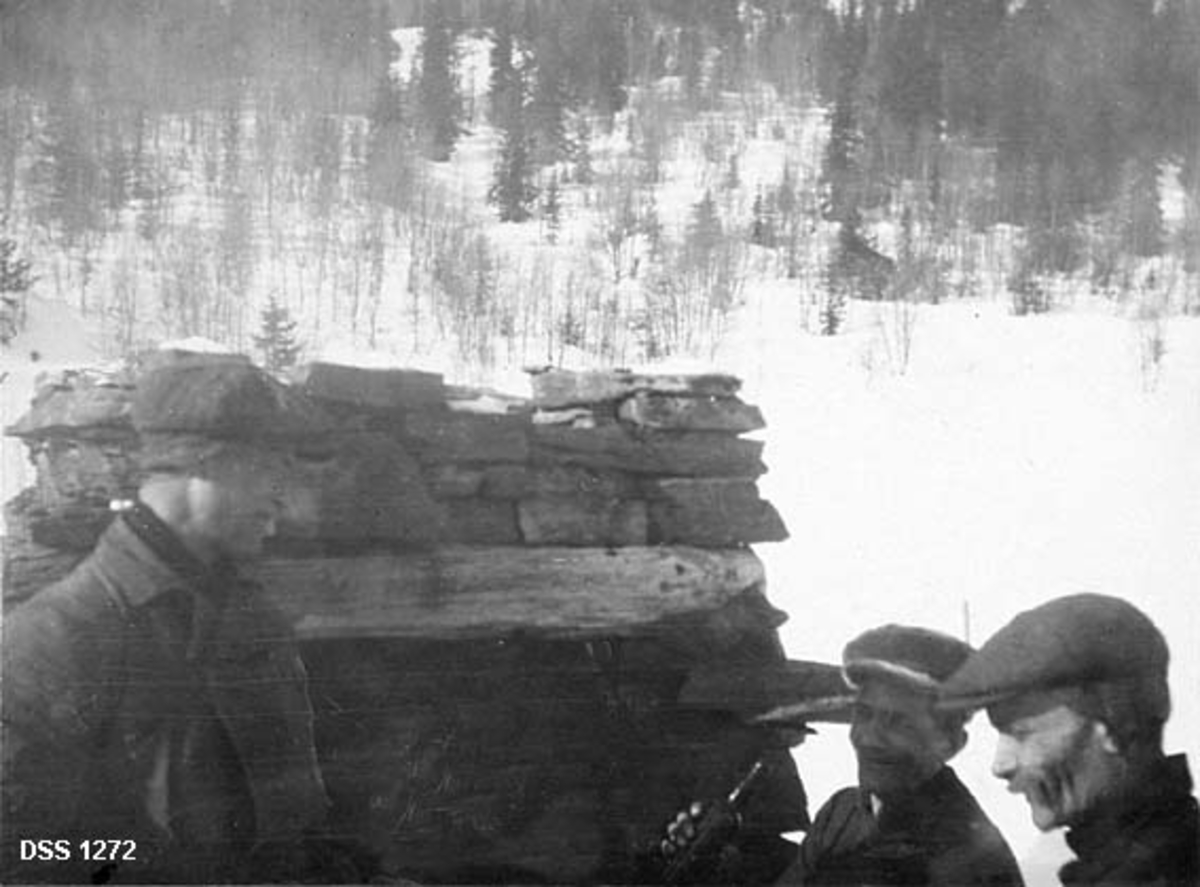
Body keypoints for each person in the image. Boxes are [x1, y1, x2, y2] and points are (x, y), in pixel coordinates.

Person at [1, 358, 368, 884]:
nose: (282, 498)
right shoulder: (52, 640)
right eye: (271, 470)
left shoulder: (250, 617)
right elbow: (27, 853)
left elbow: (289, 816)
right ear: (205, 463)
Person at [662, 624, 1024, 885]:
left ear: (951, 743)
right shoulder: (844, 812)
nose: (869, 738)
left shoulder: (970, 860)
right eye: (863, 714)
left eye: (898, 723)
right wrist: (715, 858)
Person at [939, 593, 1199, 886]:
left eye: (1022, 733)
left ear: (1117, 726)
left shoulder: (1157, 873)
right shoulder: (1138, 861)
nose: (999, 765)